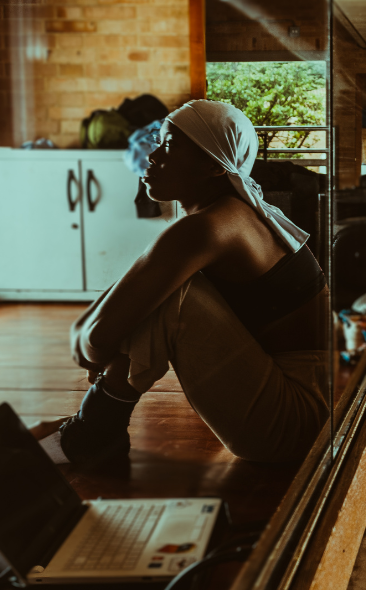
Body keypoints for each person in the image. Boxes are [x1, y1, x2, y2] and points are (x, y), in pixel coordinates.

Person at [32, 100, 330, 465]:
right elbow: (104, 323)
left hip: (296, 423)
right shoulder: (234, 214)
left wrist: (107, 343)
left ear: (213, 166)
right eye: (157, 142)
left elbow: (94, 341)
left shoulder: (209, 227)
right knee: (158, 293)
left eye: (169, 146)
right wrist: (106, 334)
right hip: (307, 410)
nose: (152, 155)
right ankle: (94, 427)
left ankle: (91, 433)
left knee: (173, 296)